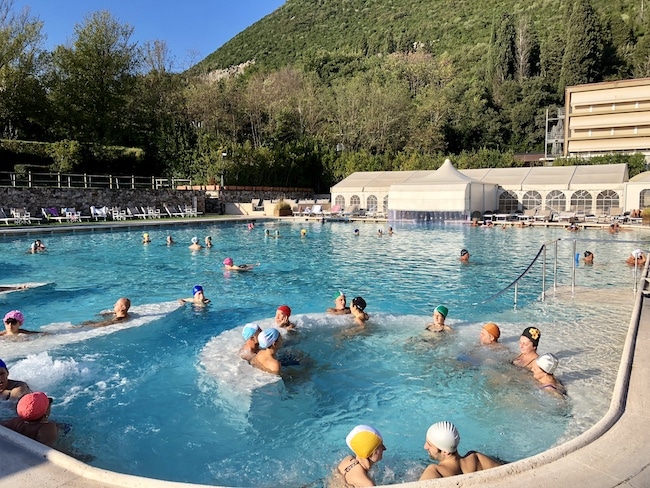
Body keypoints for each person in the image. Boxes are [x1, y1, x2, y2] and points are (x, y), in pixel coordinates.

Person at [420, 421, 502, 480]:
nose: (425, 447)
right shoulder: (476, 458)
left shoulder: (435, 471)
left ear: (445, 451)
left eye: (429, 444)